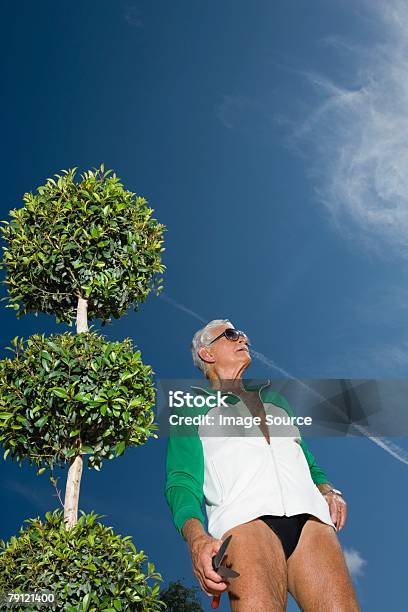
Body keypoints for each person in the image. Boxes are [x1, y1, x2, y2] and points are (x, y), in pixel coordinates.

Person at [164, 319, 360, 611]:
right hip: (245, 523)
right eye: (230, 334)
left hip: (311, 519)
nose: (242, 337)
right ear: (208, 353)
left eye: (241, 333)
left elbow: (306, 458)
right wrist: (197, 539)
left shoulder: (276, 400)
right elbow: (181, 480)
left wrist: (327, 489)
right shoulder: (189, 407)